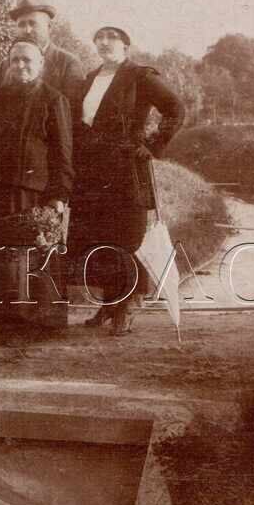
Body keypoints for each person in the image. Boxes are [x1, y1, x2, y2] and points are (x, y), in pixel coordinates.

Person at [71, 25, 185, 335]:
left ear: (126, 45)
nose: (104, 42)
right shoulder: (91, 78)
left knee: (125, 236)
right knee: (98, 235)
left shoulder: (140, 75)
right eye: (99, 38)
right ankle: (109, 304)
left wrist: (151, 144)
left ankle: (127, 306)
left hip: (125, 168)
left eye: (112, 38)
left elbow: (175, 108)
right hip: (92, 171)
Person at [0, 36, 73, 339]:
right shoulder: (0, 98)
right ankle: (12, 321)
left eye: (28, 60)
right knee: (5, 258)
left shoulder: (53, 99)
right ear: (9, 64)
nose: (21, 65)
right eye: (15, 60)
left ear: (40, 64)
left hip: (35, 192)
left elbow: (63, 153)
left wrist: (59, 196)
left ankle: (44, 321)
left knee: (36, 254)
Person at [0, 0, 87, 122]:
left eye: (33, 23)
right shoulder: (6, 64)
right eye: (21, 25)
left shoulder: (68, 63)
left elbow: (72, 116)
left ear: (49, 26)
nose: (27, 30)